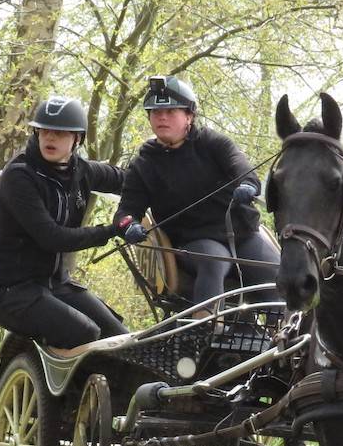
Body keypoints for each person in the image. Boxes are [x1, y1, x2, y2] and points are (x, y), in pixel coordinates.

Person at [114, 75, 279, 314]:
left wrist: (249, 185)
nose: (161, 117)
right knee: (215, 261)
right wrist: (128, 225)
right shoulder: (143, 165)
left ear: (189, 116)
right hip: (195, 242)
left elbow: (241, 168)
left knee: (278, 274)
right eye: (155, 112)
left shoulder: (213, 143)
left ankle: (288, 338)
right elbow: (126, 211)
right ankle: (204, 334)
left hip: (243, 234)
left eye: (170, 111)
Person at [0, 96, 129, 348]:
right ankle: (69, 388)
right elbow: (52, 238)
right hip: (9, 290)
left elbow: (125, 180)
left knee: (119, 337)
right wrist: (112, 231)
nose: (50, 138)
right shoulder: (19, 176)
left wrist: (154, 179)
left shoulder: (82, 170)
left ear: (77, 138)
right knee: (85, 332)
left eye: (59, 133)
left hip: (53, 283)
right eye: (44, 131)